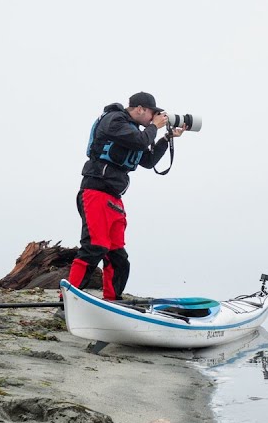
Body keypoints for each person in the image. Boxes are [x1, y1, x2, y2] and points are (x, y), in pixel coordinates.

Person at [70, 91, 185, 301]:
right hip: (95, 191)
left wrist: (166, 138)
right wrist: (154, 127)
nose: (154, 118)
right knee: (95, 246)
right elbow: (140, 141)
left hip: (114, 197)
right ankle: (67, 301)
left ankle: (112, 301)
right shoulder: (114, 120)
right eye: (152, 113)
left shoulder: (134, 130)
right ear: (140, 109)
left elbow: (148, 161)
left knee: (118, 256)